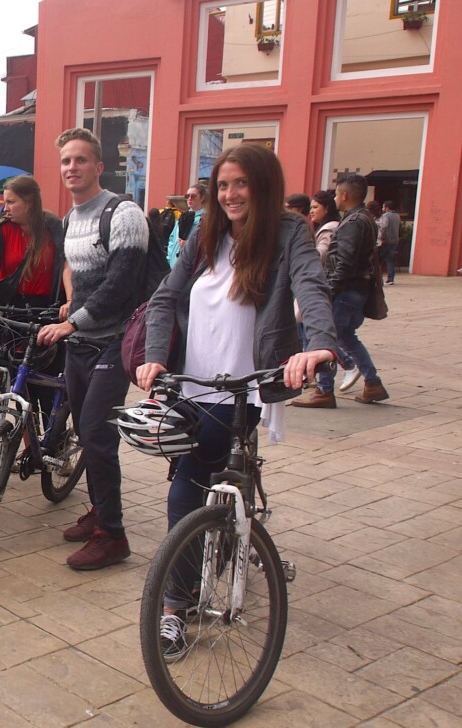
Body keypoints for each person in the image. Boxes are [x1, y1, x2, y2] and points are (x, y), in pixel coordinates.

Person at [136, 143, 337, 658]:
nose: (229, 195)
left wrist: (317, 345)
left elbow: (311, 287)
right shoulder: (207, 235)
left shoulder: (290, 232)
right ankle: (180, 599)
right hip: (195, 382)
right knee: (188, 484)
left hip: (246, 386)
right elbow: (164, 297)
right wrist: (155, 355)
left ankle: (173, 607)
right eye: (223, 185)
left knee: (187, 489)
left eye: (240, 184)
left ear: (263, 185)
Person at [37, 127, 146, 570]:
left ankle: (112, 535)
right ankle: (99, 510)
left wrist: (73, 321)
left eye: (80, 160)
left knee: (98, 437)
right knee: (85, 432)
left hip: (115, 341)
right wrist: (69, 303)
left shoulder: (123, 213)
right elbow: (73, 269)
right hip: (80, 340)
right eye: (65, 161)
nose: (71, 168)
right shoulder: (71, 218)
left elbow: (124, 284)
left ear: (99, 166)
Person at [0, 175, 67, 421]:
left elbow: (66, 265)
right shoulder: (1, 231)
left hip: (47, 311)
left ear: (30, 202)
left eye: (11, 202)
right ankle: (22, 441)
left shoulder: (53, 229)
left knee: (46, 384)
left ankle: (48, 445)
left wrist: (71, 301)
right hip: (12, 312)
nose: (5, 208)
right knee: (16, 381)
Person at [293, 173, 389, 407]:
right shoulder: (362, 218)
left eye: (336, 194)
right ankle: (372, 382)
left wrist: (329, 292)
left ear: (345, 195)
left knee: (326, 337)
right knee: (346, 337)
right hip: (356, 290)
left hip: (346, 291)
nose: (335, 198)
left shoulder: (354, 223)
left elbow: (344, 263)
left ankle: (325, 391)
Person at [168, 184, 207, 267]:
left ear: (202, 198)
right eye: (187, 196)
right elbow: (172, 239)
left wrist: (189, 245)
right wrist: (169, 258)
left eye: (193, 196)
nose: (189, 199)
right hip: (174, 264)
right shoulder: (182, 217)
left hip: (190, 265)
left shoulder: (205, 219)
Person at [377, 200, 401, 285]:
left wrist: (381, 236)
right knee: (390, 260)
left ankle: (378, 278)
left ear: (387, 208)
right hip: (394, 240)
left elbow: (383, 226)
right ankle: (390, 278)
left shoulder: (385, 216)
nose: (382, 208)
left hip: (386, 240)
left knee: (379, 260)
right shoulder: (397, 216)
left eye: (383, 207)